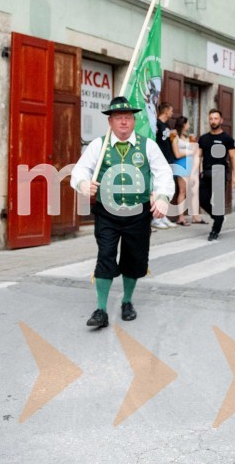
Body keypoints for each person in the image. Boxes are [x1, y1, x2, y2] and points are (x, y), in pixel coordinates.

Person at [70, 96, 175, 328]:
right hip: (107, 213)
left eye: (128, 117)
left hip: (138, 214)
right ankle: (100, 309)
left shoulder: (148, 145)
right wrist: (83, 184)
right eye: (119, 118)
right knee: (105, 256)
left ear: (134, 121)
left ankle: (127, 301)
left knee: (134, 259)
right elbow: (79, 171)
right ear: (111, 122)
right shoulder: (99, 145)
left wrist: (162, 197)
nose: (124, 122)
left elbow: (164, 174)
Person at [198, 109, 235, 241]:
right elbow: (198, 157)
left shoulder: (227, 139)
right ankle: (218, 217)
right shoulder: (203, 139)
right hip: (206, 174)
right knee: (203, 200)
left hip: (220, 173)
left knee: (218, 203)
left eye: (216, 118)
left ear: (221, 120)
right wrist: (196, 172)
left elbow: (234, 158)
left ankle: (215, 230)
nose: (213, 121)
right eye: (211, 118)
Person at [152, 102, 177, 230]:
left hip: (168, 159)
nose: (172, 113)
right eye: (171, 110)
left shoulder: (166, 125)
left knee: (166, 188)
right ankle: (156, 218)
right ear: (166, 111)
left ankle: (163, 215)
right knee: (158, 188)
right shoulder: (156, 124)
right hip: (159, 161)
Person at [170, 116, 196, 226]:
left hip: (189, 165)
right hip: (181, 165)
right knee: (182, 191)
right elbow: (177, 154)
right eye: (188, 123)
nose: (189, 126)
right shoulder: (175, 138)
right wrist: (190, 152)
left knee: (189, 191)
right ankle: (181, 217)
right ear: (183, 124)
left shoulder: (187, 137)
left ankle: (190, 215)